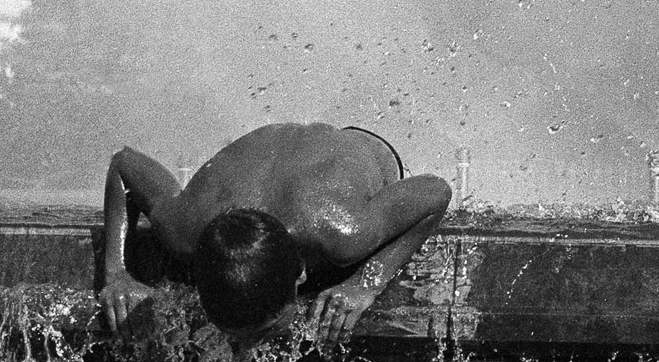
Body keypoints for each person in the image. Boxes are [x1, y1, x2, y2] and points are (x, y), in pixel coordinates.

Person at [98, 123, 453, 343]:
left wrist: (366, 283)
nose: (249, 347)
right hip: (266, 161)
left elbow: (436, 191)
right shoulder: (185, 226)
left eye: (265, 332)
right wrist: (116, 273)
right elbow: (124, 164)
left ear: (300, 271)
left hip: (361, 144)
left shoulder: (343, 234)